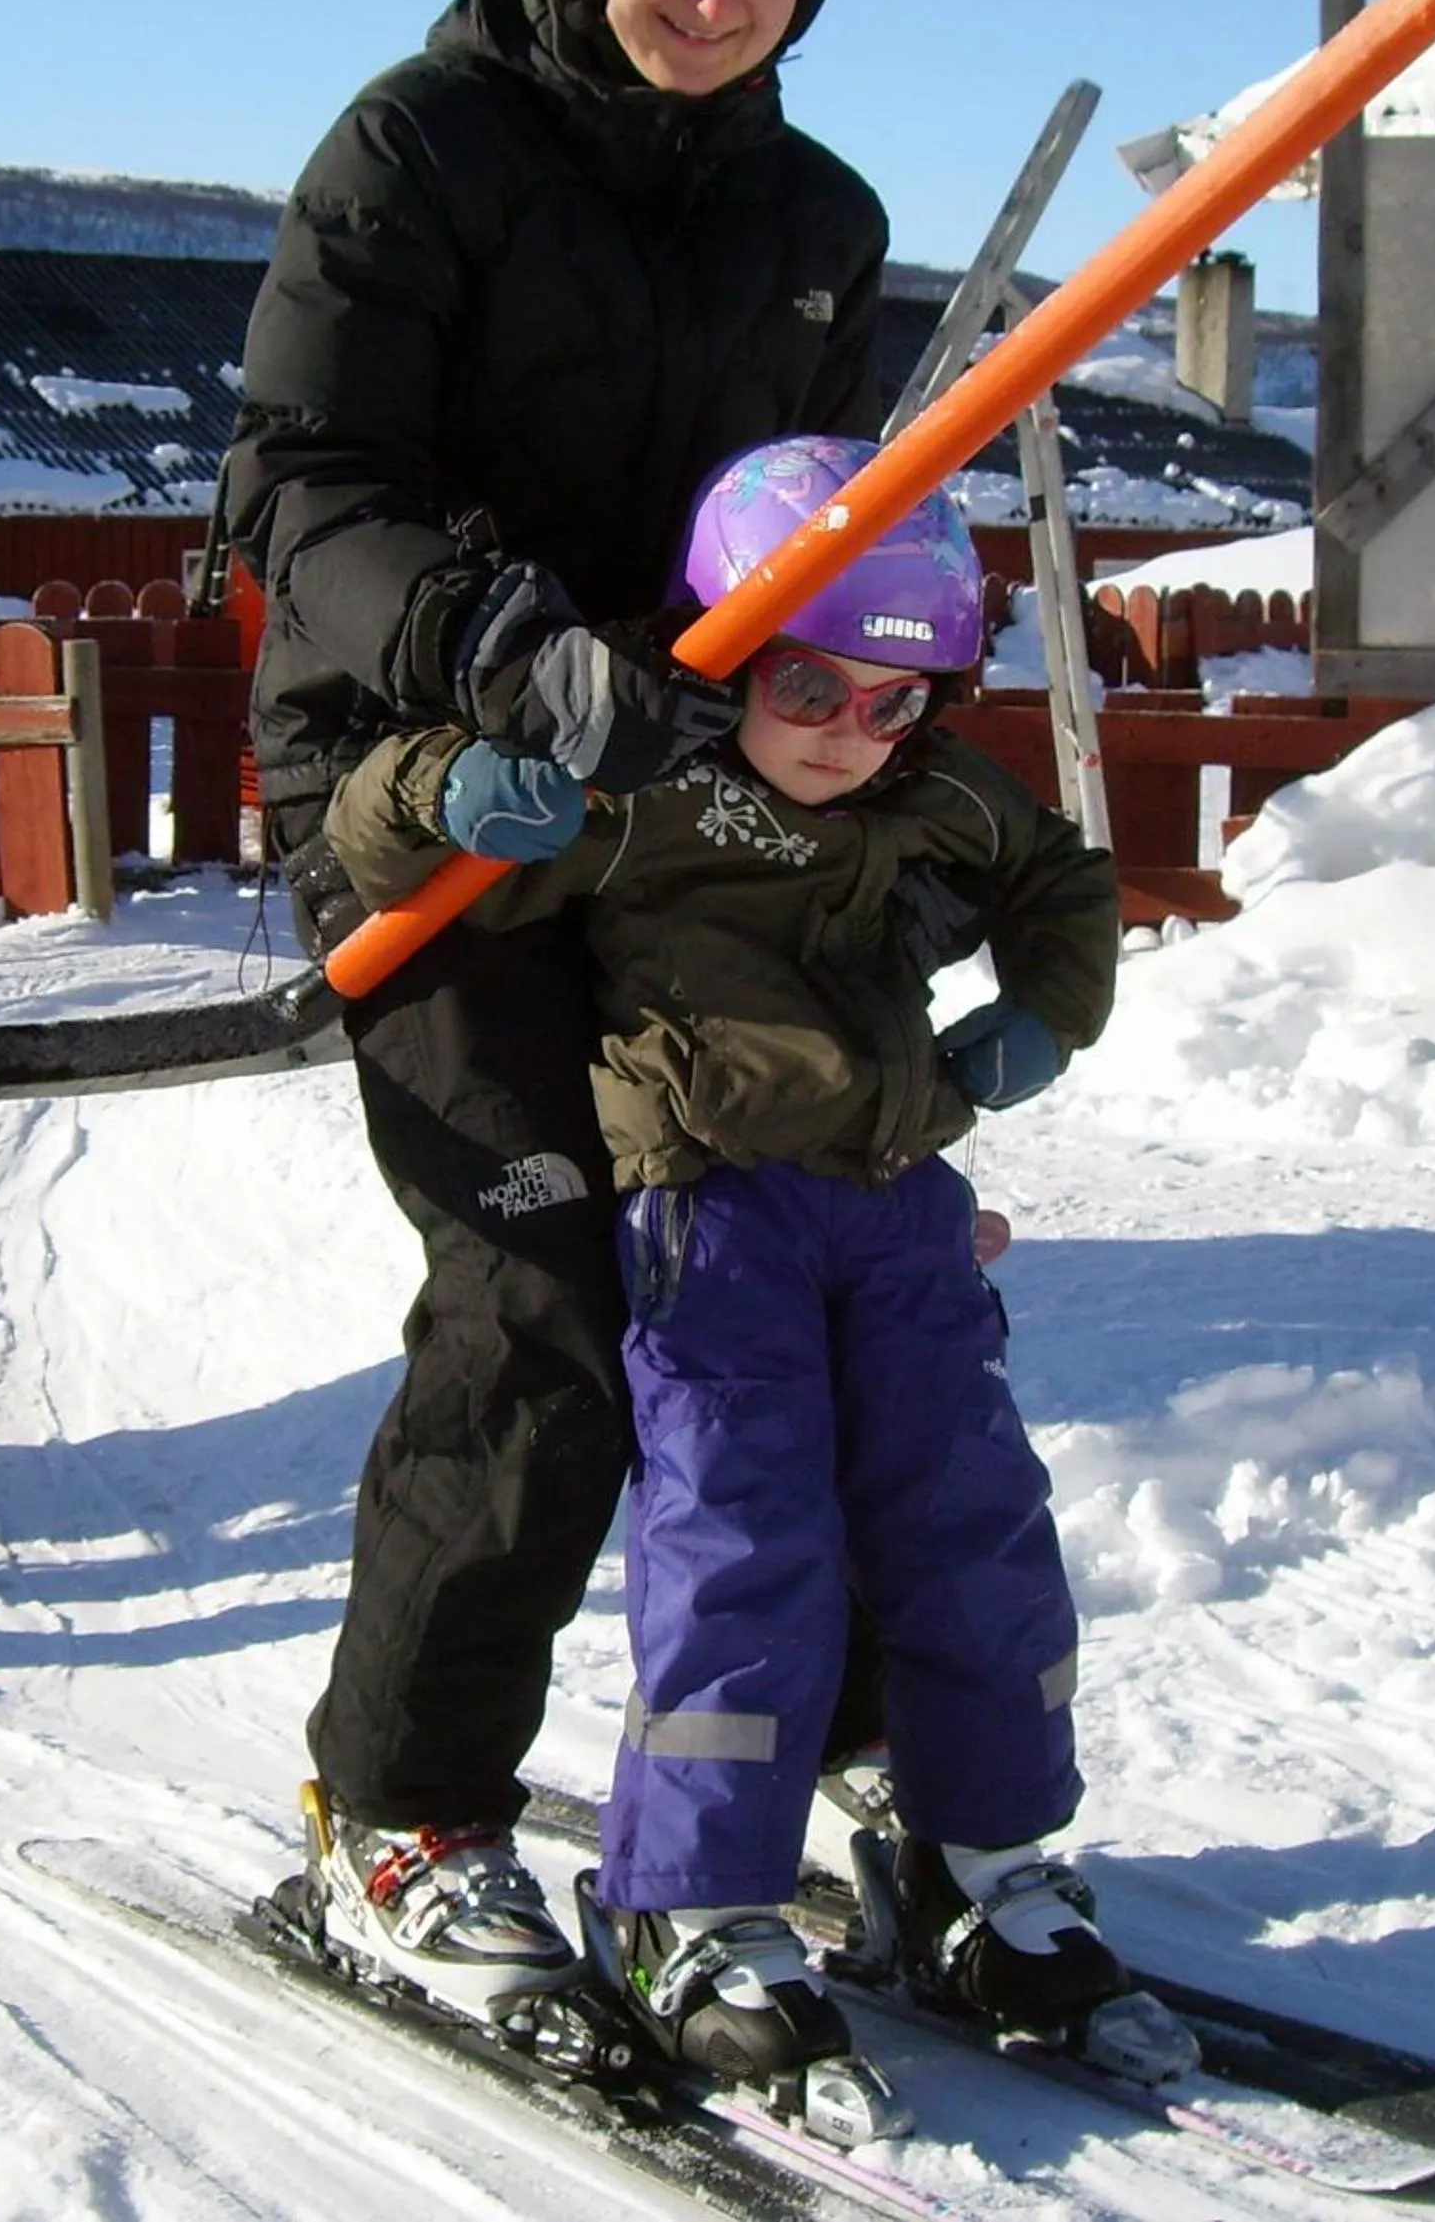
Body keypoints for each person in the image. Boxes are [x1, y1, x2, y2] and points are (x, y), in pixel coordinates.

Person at [215, 0, 887, 2032]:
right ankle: (398, 1808)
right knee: (544, 1300)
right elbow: (302, 490)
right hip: (429, 803)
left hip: (675, 797)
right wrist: (494, 643)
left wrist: (836, 683)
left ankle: (889, 1775)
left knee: (813, 1266)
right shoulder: (421, 147)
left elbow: (802, 526)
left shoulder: (821, 221)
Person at [326, 437, 1133, 2083]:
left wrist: (1042, 1021)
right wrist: (443, 791)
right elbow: (384, 842)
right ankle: (687, 1897)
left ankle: (976, 1861)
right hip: (714, 1214)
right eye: (812, 690)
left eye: (895, 703)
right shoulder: (645, 797)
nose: (853, 738)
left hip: (901, 1205)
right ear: (726, 654)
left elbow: (1063, 883)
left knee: (971, 1529)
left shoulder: (933, 793)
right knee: (744, 1544)